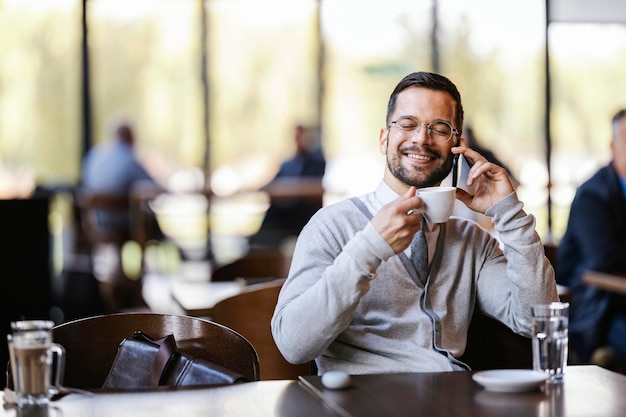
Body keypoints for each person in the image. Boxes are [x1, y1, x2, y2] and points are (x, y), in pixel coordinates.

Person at [271, 71, 558, 375]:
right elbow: (293, 344)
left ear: (456, 146)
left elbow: (535, 320)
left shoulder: (471, 241)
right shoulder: (331, 226)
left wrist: (509, 213)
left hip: (451, 401)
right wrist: (369, 248)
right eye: (407, 124)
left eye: (439, 128)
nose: (422, 138)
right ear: (384, 139)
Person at [556, 108, 626, 371]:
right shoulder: (593, 195)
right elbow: (604, 259)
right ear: (613, 146)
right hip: (598, 307)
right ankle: (600, 354)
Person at [249, 124, 326, 249]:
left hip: (304, 212)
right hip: (285, 211)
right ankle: (258, 248)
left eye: (300, 136)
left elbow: (313, 185)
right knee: (272, 215)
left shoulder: (317, 163)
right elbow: (274, 182)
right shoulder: (288, 164)